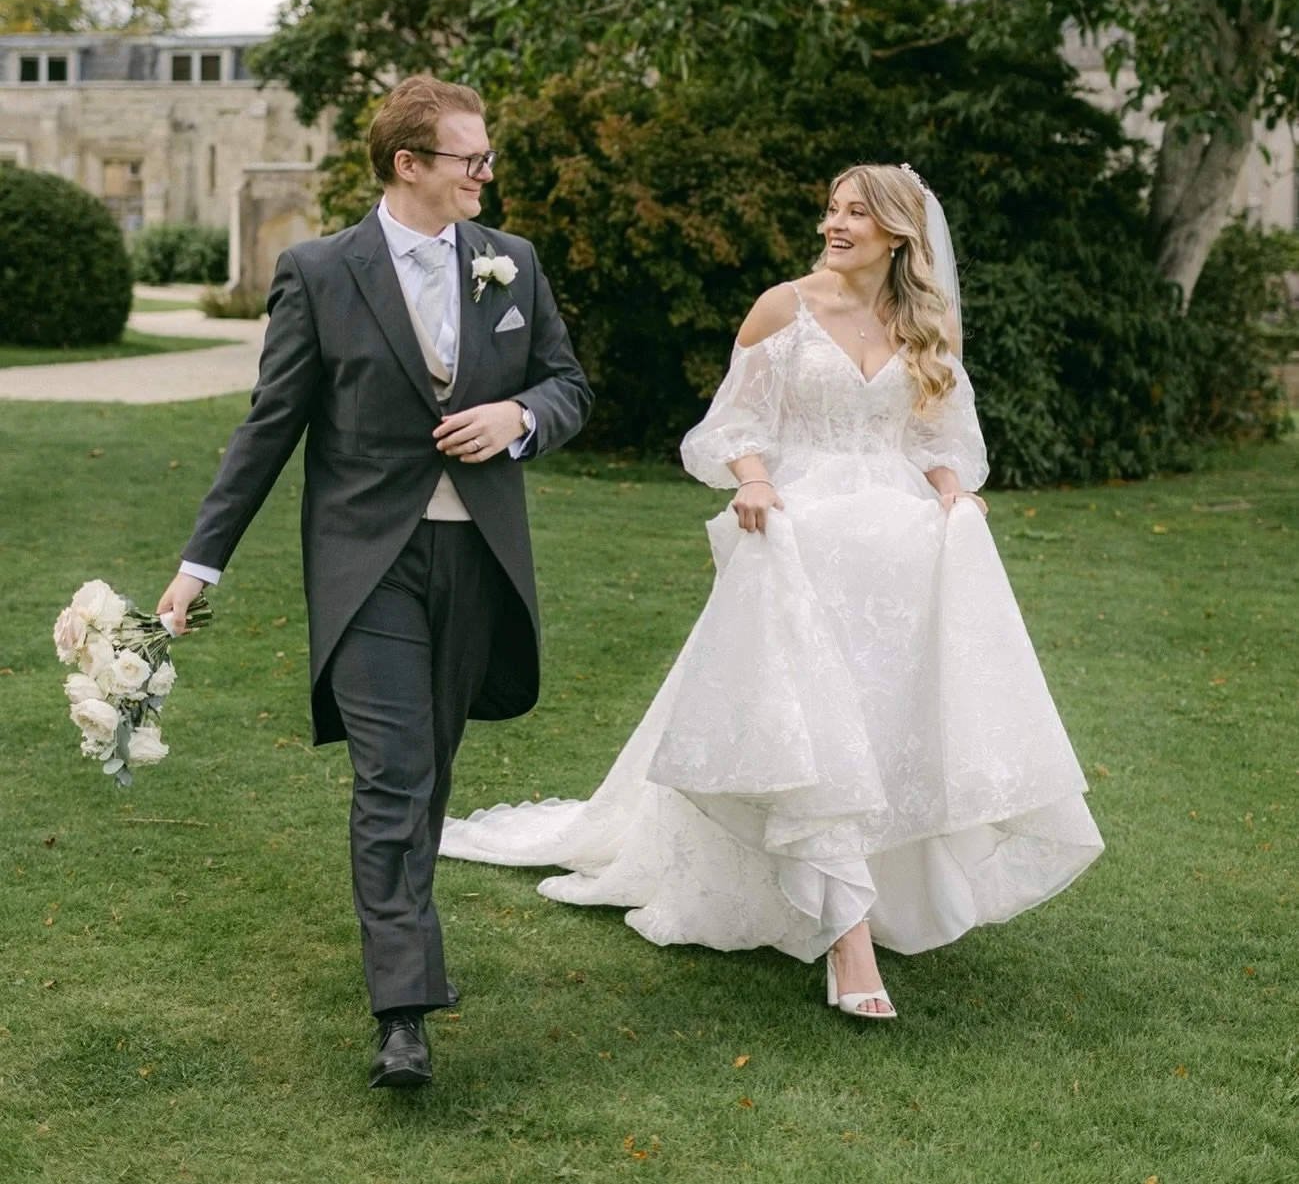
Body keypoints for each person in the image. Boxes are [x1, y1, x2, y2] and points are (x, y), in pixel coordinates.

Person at [441, 163, 1102, 1019]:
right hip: (801, 534)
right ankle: (846, 937)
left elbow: (937, 432)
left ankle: (876, 888)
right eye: (830, 208)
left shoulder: (925, 323)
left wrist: (951, 489)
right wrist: (750, 480)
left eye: (856, 213)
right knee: (812, 722)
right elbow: (730, 425)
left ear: (899, 233)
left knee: (877, 721)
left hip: (895, 550)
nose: (834, 224)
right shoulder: (782, 308)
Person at [155, 76, 592, 1086]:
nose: (488, 173)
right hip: (369, 565)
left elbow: (568, 382)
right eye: (471, 158)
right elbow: (269, 426)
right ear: (411, 165)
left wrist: (517, 419)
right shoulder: (320, 270)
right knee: (391, 778)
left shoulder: (510, 263)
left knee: (429, 772)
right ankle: (403, 1009)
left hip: (477, 559)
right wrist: (197, 562)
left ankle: (403, 953)